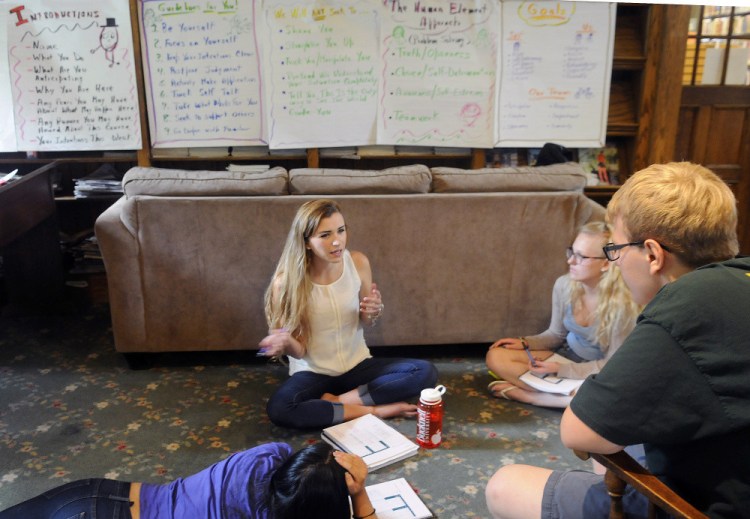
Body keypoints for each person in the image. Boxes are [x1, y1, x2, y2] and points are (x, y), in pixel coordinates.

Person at [485, 162, 750, 518]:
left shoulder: (681, 307)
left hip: (702, 504)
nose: (618, 261)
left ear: (653, 255)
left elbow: (579, 433)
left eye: (617, 249)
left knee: (505, 485)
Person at [261, 199, 438, 429]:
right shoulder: (285, 283)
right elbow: (301, 351)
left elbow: (366, 321)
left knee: (425, 372)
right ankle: (370, 410)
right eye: (325, 235)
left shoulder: (358, 262)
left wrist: (373, 311)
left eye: (341, 230)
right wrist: (285, 340)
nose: (337, 241)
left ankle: (337, 403)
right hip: (314, 373)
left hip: (357, 365)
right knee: (279, 409)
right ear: (306, 242)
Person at [0, 442, 379, 519]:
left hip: (91, 494)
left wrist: (332, 465)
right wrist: (359, 497)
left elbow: (295, 457)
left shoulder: (268, 456)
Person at [486, 221, 640, 408]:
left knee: (614, 394)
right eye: (571, 252)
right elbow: (555, 335)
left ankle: (533, 396)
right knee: (496, 356)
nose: (570, 261)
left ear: (606, 264)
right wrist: (525, 342)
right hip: (566, 357)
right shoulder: (563, 285)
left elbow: (610, 365)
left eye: (581, 257)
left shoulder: (623, 305)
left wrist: (562, 370)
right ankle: (564, 397)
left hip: (599, 370)